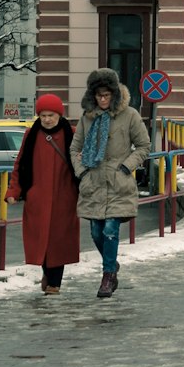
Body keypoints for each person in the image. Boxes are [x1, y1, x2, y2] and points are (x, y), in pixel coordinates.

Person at [71, 68, 150, 299]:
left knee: (109, 229)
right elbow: (75, 147)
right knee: (96, 232)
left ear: (114, 94)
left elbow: (144, 145)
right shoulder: (88, 117)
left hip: (118, 182)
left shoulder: (130, 115)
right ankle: (113, 265)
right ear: (92, 95)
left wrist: (126, 166)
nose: (102, 99)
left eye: (106, 95)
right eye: (98, 95)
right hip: (94, 182)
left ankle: (107, 276)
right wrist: (82, 172)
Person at [7, 94, 80, 295]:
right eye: (43, 115)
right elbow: (20, 165)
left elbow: (82, 164)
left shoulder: (71, 134)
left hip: (64, 197)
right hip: (37, 197)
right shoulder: (31, 135)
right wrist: (14, 190)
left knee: (59, 241)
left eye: (51, 115)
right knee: (41, 241)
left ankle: (54, 284)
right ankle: (47, 273)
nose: (47, 119)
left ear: (59, 115)